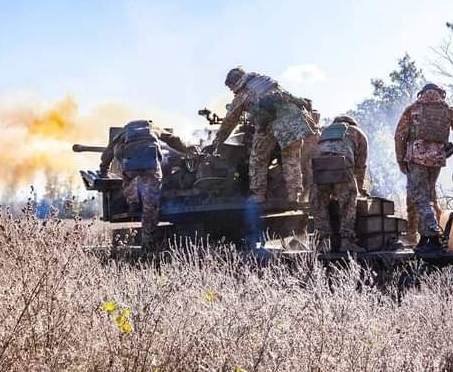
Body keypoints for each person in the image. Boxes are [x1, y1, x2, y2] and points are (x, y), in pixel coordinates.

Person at [209, 67, 314, 203]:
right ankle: (294, 195)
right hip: (292, 121)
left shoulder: (243, 94)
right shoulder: (265, 81)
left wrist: (217, 142)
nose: (231, 90)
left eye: (230, 86)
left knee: (257, 158)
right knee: (291, 158)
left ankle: (258, 195)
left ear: (235, 82)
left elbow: (230, 121)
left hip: (270, 124)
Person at [394, 84, 453, 246]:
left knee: (419, 197)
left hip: (416, 158)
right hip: (437, 159)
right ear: (441, 94)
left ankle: (431, 228)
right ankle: (428, 237)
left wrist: (401, 159)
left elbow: (399, 136)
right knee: (429, 195)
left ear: (421, 94)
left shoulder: (412, 109)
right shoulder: (448, 110)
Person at [99, 120, 188, 248]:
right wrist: (187, 149)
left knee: (128, 181)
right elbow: (173, 140)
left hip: (130, 164)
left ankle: (133, 202)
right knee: (150, 206)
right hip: (151, 165)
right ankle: (148, 241)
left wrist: (104, 170)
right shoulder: (154, 128)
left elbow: (108, 153)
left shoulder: (125, 132)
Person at [312, 115, 368, 253]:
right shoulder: (358, 132)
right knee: (348, 203)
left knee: (320, 204)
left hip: (319, 166)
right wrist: (359, 188)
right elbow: (361, 165)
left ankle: (322, 244)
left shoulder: (325, 131)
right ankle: (346, 242)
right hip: (342, 165)